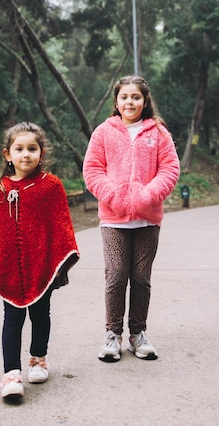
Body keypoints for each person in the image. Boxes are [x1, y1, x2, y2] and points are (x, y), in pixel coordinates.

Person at [83, 75, 180, 362]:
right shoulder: (103, 132)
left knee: (141, 278)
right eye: (124, 97)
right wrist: (114, 196)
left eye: (136, 97)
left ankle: (138, 334)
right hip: (113, 220)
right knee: (115, 276)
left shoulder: (158, 133)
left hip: (148, 219)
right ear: (116, 101)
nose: (130, 102)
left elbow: (170, 170)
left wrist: (146, 195)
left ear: (145, 101)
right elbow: (92, 170)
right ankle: (112, 335)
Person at [0, 121, 79, 400]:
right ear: (7, 154)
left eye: (32, 149)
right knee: (12, 318)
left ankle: (38, 359)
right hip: (11, 268)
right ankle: (11, 374)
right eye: (19, 149)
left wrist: (58, 263)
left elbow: (60, 227)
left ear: (41, 152)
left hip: (42, 265)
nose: (26, 154)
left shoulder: (51, 186)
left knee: (40, 313)